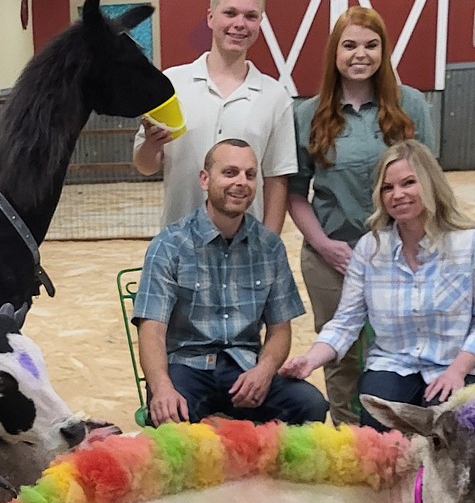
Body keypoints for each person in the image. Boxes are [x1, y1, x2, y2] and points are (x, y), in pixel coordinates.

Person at [280, 140, 475, 431]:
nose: (397, 195)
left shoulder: (472, 243)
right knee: (376, 421)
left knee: (463, 429)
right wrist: (309, 360)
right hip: (393, 363)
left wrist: (457, 371)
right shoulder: (369, 248)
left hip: (457, 363)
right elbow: (346, 322)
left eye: (408, 183)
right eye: (388, 188)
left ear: (430, 184)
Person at [288, 6, 432, 425]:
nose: (360, 54)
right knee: (342, 355)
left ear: (383, 52)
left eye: (371, 45)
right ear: (335, 52)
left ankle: (404, 441)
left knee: (400, 351)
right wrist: (324, 246)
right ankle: (350, 443)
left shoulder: (412, 107)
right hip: (333, 255)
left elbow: (431, 184)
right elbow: (297, 193)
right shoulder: (308, 115)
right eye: (349, 45)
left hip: (400, 253)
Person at [133, 138, 328, 427]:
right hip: (187, 366)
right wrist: (161, 388)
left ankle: (267, 472)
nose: (241, 182)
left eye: (250, 175)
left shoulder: (270, 247)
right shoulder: (169, 245)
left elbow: (280, 330)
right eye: (230, 172)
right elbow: (152, 332)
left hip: (244, 367)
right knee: (172, 418)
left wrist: (264, 370)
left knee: (309, 405)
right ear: (204, 179)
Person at [133, 0, 295, 234]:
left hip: (246, 247)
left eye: (250, 16)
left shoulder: (275, 97)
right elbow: (145, 166)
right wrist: (151, 145)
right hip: (179, 244)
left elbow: (277, 180)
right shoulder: (171, 85)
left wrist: (270, 246)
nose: (240, 24)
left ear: (260, 23)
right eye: (230, 13)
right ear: (210, 17)